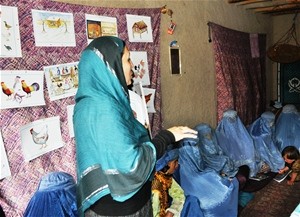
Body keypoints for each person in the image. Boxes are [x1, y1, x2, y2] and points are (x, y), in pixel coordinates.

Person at [73, 36, 198, 217]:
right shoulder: (105, 108)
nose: (132, 66)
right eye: (127, 59)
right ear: (111, 66)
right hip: (124, 210)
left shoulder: (86, 104)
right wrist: (167, 136)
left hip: (106, 205)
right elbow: (132, 165)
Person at [152, 148, 185, 217]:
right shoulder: (155, 189)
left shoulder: (165, 177)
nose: (177, 165)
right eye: (175, 162)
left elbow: (179, 195)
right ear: (167, 164)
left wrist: (171, 211)